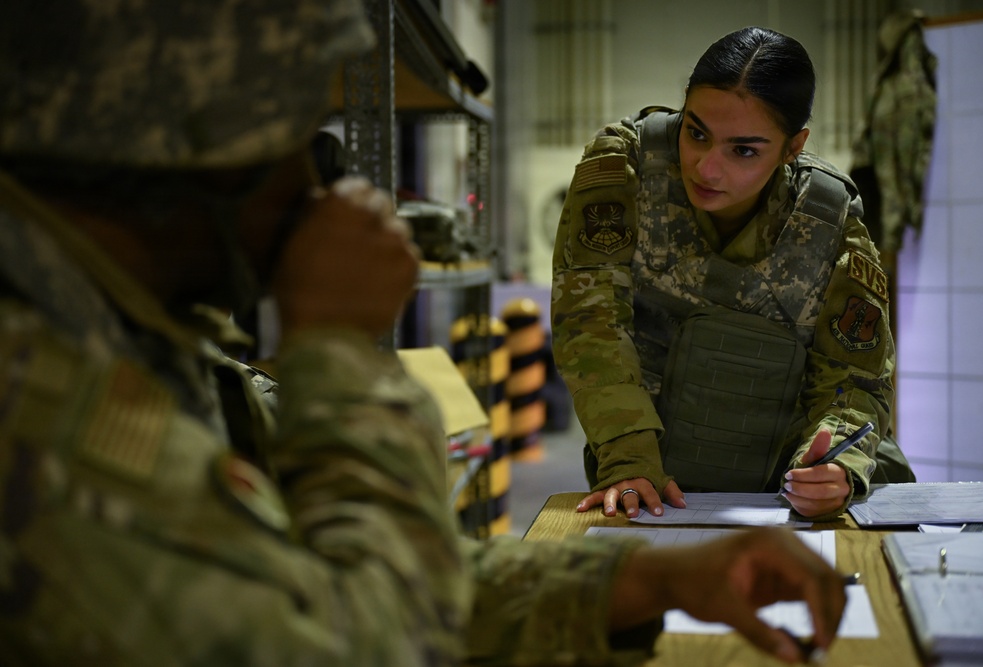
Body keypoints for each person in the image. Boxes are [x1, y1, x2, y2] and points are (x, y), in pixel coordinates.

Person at [0, 5, 846, 665]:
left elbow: (395, 585)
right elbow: (375, 639)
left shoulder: (135, 346)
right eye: (288, 133)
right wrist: (333, 347)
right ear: (162, 148)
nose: (318, 174)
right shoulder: (41, 404)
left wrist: (652, 577)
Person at [552, 26, 915, 522]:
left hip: (783, 492)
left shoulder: (829, 218)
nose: (706, 167)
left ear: (793, 147)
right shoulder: (627, 166)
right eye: (696, 132)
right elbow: (589, 326)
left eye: (743, 150)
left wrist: (835, 466)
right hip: (653, 477)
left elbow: (854, 378)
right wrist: (627, 457)